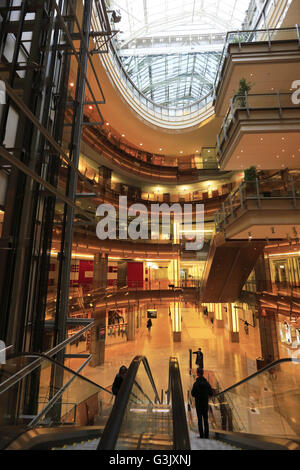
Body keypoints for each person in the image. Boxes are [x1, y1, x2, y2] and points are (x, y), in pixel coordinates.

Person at [191, 368, 214, 439]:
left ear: (197, 374)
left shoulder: (196, 383)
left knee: (200, 420)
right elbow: (211, 393)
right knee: (205, 419)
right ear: (203, 373)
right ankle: (206, 435)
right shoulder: (206, 383)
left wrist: (198, 395)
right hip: (205, 403)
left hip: (198, 404)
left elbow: (193, 394)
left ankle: (201, 435)